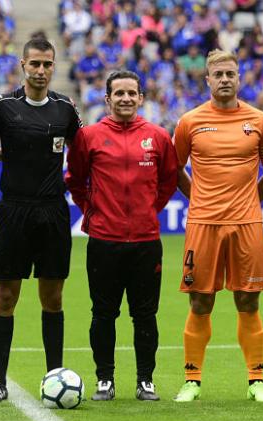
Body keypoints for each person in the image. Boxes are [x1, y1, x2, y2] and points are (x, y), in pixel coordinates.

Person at [0, 38, 82, 403]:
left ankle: (54, 376)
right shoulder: (4, 107)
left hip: (53, 211)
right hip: (13, 209)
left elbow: (83, 155)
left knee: (53, 297)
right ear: (22, 65)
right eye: (35, 64)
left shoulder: (66, 110)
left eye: (47, 64)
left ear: (54, 65)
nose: (41, 71)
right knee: (6, 296)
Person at [172, 49, 263, 403]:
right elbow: (175, 169)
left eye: (230, 74)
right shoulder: (189, 121)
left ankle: (256, 381)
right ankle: (192, 380)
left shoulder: (259, 121)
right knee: (200, 301)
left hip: (247, 222)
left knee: (248, 300)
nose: (224, 80)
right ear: (207, 79)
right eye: (217, 74)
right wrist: (197, 200)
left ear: (239, 78)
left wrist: (251, 200)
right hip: (203, 223)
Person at [65, 70, 177, 401]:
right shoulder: (89, 137)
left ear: (141, 98)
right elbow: (75, 180)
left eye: (132, 93)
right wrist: (93, 212)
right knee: (103, 314)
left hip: (145, 241)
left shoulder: (157, 136)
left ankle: (145, 380)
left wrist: (147, 210)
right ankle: (105, 379)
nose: (126, 98)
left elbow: (169, 181)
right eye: (119, 93)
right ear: (107, 99)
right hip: (104, 241)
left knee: (145, 314)